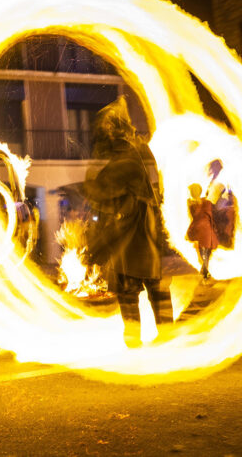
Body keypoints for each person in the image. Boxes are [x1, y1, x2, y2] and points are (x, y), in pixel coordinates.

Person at [82, 97, 171, 348]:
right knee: (144, 284)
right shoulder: (137, 150)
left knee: (137, 284)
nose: (103, 134)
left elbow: (102, 187)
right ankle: (154, 335)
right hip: (140, 225)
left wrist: (90, 183)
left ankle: (146, 338)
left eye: (107, 128)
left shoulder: (131, 154)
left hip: (135, 227)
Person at [186, 183, 218, 283]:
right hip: (203, 229)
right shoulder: (203, 202)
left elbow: (197, 217)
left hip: (202, 229)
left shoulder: (199, 203)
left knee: (205, 251)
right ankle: (205, 271)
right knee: (205, 251)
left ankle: (204, 270)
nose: (192, 193)